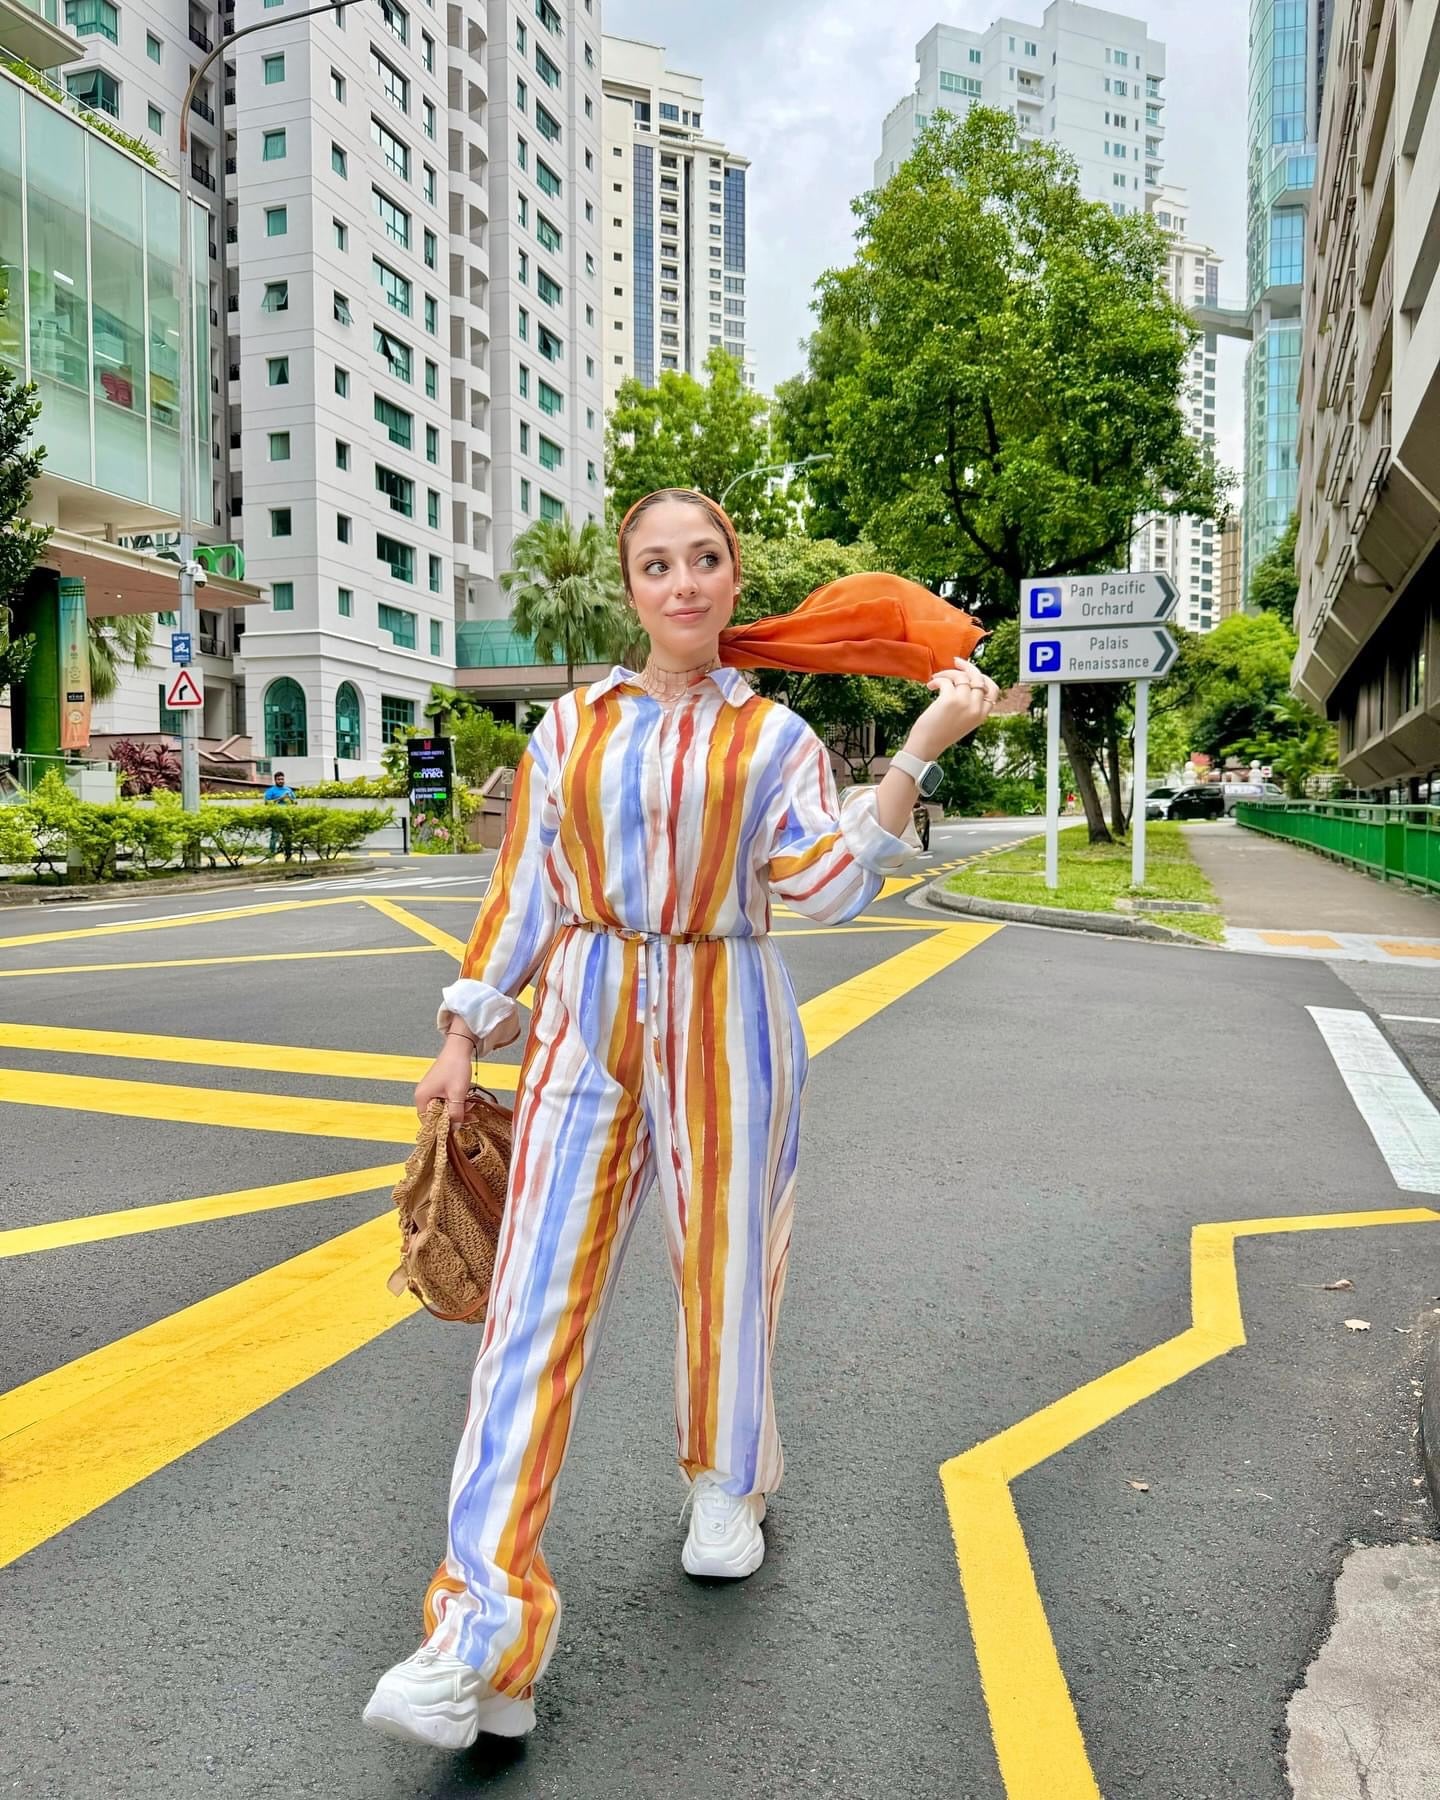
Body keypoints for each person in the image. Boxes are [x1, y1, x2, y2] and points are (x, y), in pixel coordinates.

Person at [363, 489, 999, 1751]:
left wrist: (920, 748)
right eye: (657, 565)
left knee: (728, 1273)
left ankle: (725, 1483)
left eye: (704, 560)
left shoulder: (775, 739)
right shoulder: (568, 729)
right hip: (585, 1015)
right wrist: (460, 1031)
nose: (683, 583)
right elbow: (527, 889)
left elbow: (820, 888)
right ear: (631, 587)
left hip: (730, 1004)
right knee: (528, 1309)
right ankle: (479, 1629)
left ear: (730, 575)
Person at [262, 770, 295, 858]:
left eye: (282, 779)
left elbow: (295, 803)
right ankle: (271, 854)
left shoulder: (288, 790)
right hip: (276, 817)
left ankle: (288, 855)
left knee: (288, 836)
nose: (281, 781)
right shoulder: (271, 791)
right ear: (275, 780)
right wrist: (281, 798)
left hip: (287, 816)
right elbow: (267, 803)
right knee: (275, 836)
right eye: (279, 779)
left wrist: (291, 800)